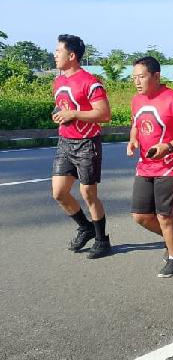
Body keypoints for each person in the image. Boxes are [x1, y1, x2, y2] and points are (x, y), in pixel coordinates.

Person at [127, 56, 173, 277]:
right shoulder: (137, 100)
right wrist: (133, 139)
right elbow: (136, 124)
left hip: (171, 166)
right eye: (134, 77)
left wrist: (169, 146)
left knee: (165, 217)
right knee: (140, 216)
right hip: (145, 166)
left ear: (156, 76)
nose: (137, 82)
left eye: (142, 77)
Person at [51, 34, 112, 259]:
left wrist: (74, 114)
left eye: (58, 51)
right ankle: (85, 228)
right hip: (65, 142)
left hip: (87, 143)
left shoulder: (89, 82)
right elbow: (63, 107)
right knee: (59, 193)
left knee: (88, 193)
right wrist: (59, 115)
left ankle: (102, 240)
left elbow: (104, 114)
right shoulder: (59, 81)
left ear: (72, 55)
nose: (55, 55)